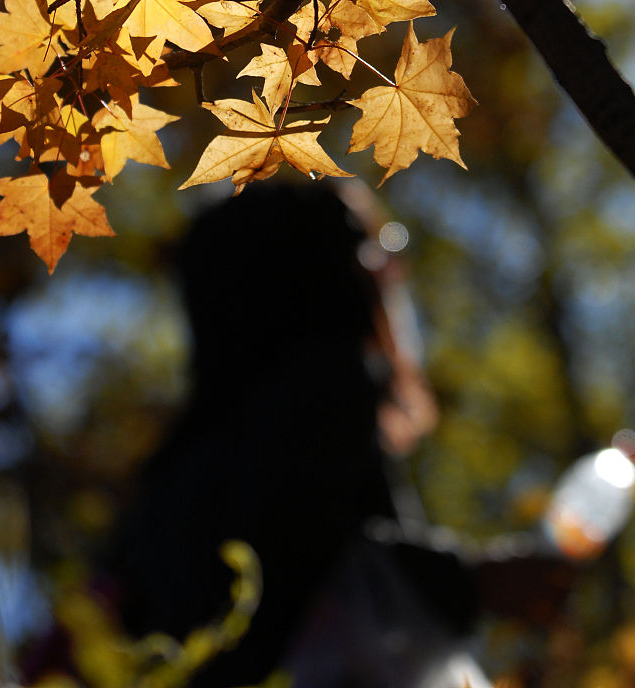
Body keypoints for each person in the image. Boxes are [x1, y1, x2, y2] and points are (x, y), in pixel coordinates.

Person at [101, 179, 571, 688]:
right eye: (376, 245)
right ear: (331, 272)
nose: (391, 270)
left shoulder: (175, 469)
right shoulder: (326, 384)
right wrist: (471, 582)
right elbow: (295, 547)